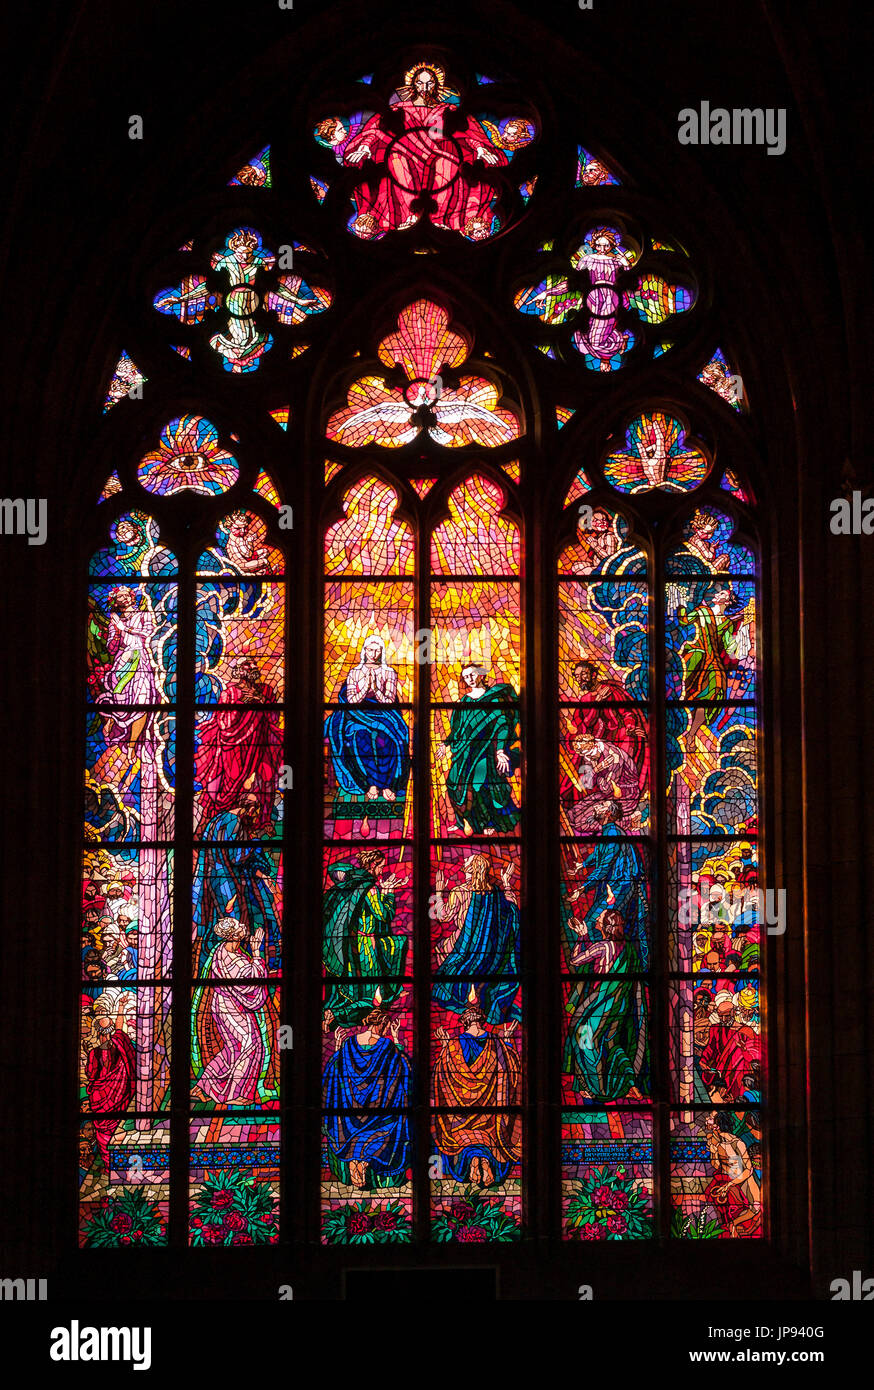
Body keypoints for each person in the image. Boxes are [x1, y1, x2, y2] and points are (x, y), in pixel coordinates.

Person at [342, 65, 508, 238]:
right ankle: (408, 217)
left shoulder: (445, 111)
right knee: (397, 162)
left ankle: (440, 219)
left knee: (447, 164)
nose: (425, 88)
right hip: (403, 152)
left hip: (438, 153)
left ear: (437, 86)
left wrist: (481, 149)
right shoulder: (399, 109)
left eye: (430, 83)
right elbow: (375, 130)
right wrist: (364, 147)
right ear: (412, 85)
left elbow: (467, 131)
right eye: (420, 83)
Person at [324, 636, 410, 835]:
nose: (374, 654)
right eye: (370, 650)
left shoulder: (389, 672)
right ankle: (370, 783)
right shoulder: (355, 672)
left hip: (385, 715)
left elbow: (389, 701)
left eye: (378, 650)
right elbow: (352, 700)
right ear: (365, 651)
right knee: (358, 737)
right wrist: (365, 687)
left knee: (392, 740)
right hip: (357, 716)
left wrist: (377, 689)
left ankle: (388, 785)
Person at [563, 908, 649, 1102]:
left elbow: (575, 960)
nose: (597, 918)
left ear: (606, 926)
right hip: (620, 1005)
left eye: (600, 917)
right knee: (610, 1044)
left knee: (584, 1038)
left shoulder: (603, 947)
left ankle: (598, 1089)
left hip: (601, 1004)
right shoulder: (627, 948)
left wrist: (582, 936)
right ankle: (627, 1083)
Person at [192, 917, 279, 1106]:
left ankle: (201, 1086)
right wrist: (256, 953)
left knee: (233, 1049)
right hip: (228, 1008)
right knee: (250, 1044)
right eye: (239, 926)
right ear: (232, 935)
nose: (243, 926)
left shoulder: (226, 951)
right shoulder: (232, 958)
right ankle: (234, 1094)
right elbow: (249, 983)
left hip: (228, 1005)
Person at [322, 1007, 412, 1190]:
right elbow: (402, 1068)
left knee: (357, 1133)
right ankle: (362, 1163)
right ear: (382, 1024)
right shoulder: (387, 1046)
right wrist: (396, 1040)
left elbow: (336, 1070)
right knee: (385, 1128)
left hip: (350, 1113)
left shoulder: (348, 1044)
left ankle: (356, 1161)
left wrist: (338, 1046)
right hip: (379, 1111)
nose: (387, 1031)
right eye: (386, 1027)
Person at [433, 1004, 521, 1187]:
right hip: (491, 1117)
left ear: (465, 1023)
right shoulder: (496, 1041)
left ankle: (473, 1160)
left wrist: (444, 1045)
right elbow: (510, 1071)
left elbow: (444, 1075)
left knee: (463, 1135)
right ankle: (485, 1161)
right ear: (482, 1021)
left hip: (461, 1116)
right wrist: (507, 1040)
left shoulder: (454, 1044)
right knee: (491, 1136)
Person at [192, 793, 280, 975]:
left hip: (213, 879)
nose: (254, 815)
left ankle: (211, 967)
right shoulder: (235, 822)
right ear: (250, 807)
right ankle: (231, 969)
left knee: (216, 923)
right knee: (234, 924)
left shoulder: (217, 820)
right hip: (227, 881)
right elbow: (236, 857)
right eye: (254, 811)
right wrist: (256, 840)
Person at [194, 655, 282, 834]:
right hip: (234, 749)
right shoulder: (230, 693)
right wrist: (243, 704)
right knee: (231, 785)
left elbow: (274, 718)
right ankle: (223, 825)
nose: (252, 667)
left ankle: (262, 822)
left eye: (253, 664)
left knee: (266, 781)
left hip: (261, 746)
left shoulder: (265, 691)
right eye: (247, 664)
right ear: (238, 670)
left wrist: (261, 700)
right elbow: (225, 723)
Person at [322, 850, 408, 1028]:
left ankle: (368, 1004)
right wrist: (389, 893)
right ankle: (344, 1014)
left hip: (353, 942)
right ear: (372, 865)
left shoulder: (355, 882)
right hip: (366, 943)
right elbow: (383, 915)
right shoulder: (370, 887)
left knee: (365, 978)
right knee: (371, 981)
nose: (382, 871)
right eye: (381, 867)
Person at [431, 854, 520, 1024]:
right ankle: (475, 996)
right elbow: (512, 909)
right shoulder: (494, 892)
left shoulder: (459, 891)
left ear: (471, 868)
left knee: (442, 948)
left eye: (467, 861)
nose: (464, 861)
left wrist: (438, 892)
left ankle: (458, 994)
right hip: (490, 948)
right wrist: (507, 883)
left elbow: (443, 916)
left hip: (461, 942)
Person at [439, 666, 521, 835]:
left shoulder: (494, 699)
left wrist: (500, 751)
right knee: (453, 783)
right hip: (465, 751)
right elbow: (457, 728)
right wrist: (445, 743)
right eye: (465, 676)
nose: (469, 678)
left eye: (472, 674)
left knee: (479, 785)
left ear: (482, 675)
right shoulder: (464, 701)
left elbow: (502, 725)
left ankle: (487, 822)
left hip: (485, 751)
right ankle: (464, 822)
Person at [84, 1013, 136, 1170]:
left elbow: (91, 1074)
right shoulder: (119, 1046)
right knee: (115, 1126)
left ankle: (109, 1165)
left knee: (104, 1131)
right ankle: (116, 1165)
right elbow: (120, 1030)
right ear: (111, 1031)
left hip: (100, 1099)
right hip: (119, 1095)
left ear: (98, 1033)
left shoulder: (94, 1053)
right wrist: (120, 1007)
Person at [565, 732, 642, 832]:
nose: (588, 759)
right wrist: (597, 769)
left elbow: (607, 788)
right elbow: (588, 784)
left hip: (626, 795)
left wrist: (597, 777)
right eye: (585, 756)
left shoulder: (614, 757)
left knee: (581, 822)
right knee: (574, 813)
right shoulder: (589, 755)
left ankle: (629, 820)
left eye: (589, 754)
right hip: (609, 794)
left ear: (596, 746)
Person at [700, 1111, 761, 1236]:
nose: (708, 1119)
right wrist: (713, 1152)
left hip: (744, 1181)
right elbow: (717, 1165)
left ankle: (733, 1224)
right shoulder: (716, 1142)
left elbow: (748, 1169)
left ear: (719, 1126)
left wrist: (730, 1184)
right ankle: (730, 1227)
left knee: (756, 1206)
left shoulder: (737, 1143)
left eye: (712, 1120)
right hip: (727, 1180)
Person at [698, 990, 760, 1103]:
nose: (723, 1020)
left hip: (738, 1075)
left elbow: (756, 1055)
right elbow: (710, 1049)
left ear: (733, 1013)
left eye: (726, 1016)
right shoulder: (715, 1029)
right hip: (719, 1073)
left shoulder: (746, 1031)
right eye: (720, 1016)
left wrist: (744, 1049)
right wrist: (703, 1061)